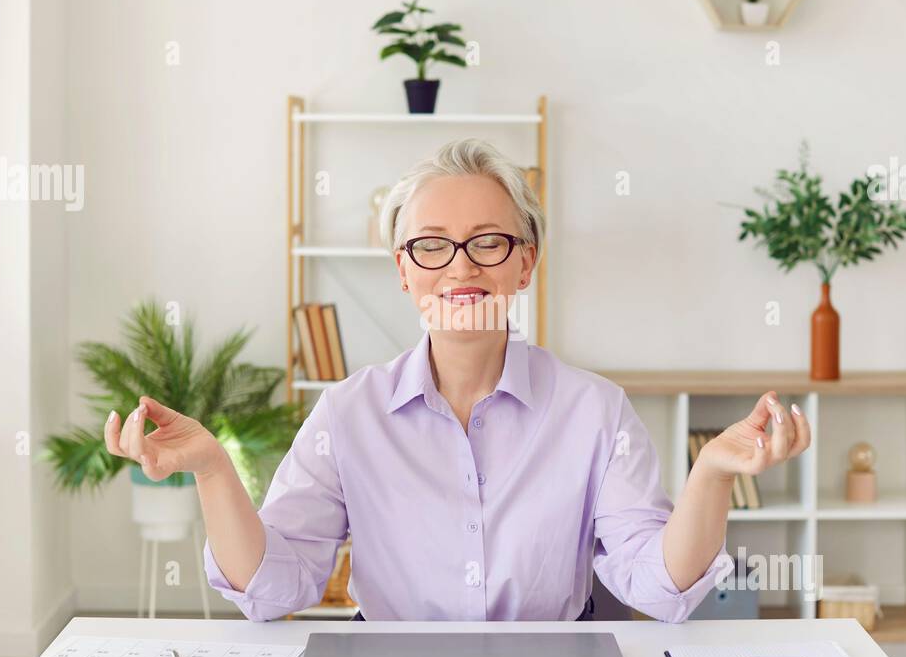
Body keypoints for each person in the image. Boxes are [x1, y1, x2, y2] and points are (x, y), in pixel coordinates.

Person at [104, 138, 809, 621]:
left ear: (526, 263)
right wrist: (213, 471)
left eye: (489, 242)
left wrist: (711, 475)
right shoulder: (349, 413)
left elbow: (659, 587)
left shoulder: (595, 411)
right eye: (432, 246)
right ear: (403, 269)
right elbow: (274, 586)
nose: (461, 267)